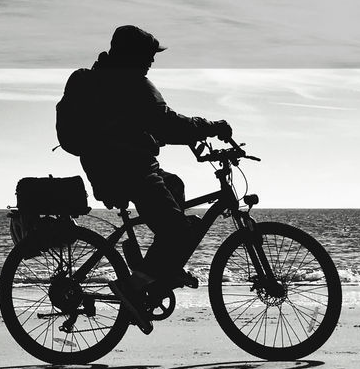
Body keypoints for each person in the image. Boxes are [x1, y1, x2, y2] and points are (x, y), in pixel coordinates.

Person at [59, 25, 231, 333]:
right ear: (133, 55)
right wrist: (212, 126)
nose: (151, 62)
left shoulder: (96, 79)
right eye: (149, 56)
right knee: (178, 231)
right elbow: (167, 124)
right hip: (131, 170)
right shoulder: (132, 84)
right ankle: (136, 285)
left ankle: (159, 270)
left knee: (175, 185)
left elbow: (150, 125)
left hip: (109, 169)